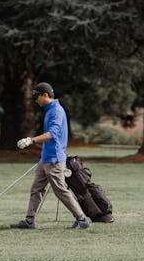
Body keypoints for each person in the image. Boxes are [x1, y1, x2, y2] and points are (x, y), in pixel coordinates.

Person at [11, 82, 89, 230]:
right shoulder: (49, 110)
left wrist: (31, 140)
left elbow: (52, 134)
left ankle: (82, 219)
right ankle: (29, 220)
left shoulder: (56, 111)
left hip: (54, 159)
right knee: (36, 189)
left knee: (60, 191)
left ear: (45, 95)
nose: (35, 100)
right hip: (46, 158)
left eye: (37, 97)